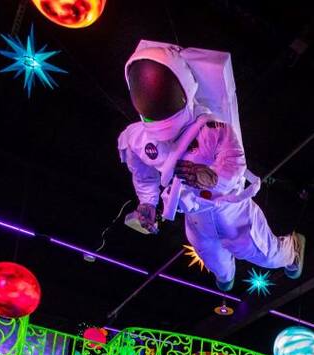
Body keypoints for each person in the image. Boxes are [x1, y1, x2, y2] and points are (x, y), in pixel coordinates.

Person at [118, 41, 304, 291]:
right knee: (215, 261)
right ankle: (225, 274)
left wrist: (213, 178)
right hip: (196, 219)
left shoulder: (212, 128)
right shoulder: (138, 138)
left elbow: (235, 164)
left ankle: (293, 249)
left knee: (267, 255)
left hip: (232, 212)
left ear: (184, 89)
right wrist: (147, 203)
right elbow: (144, 174)